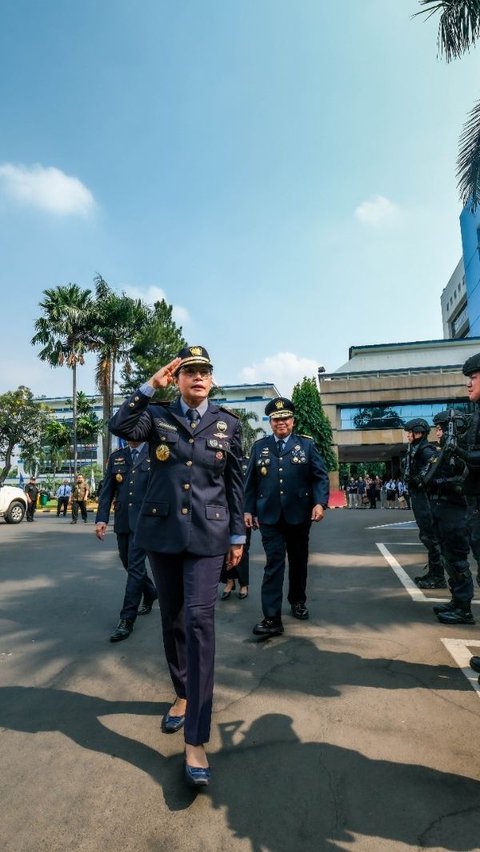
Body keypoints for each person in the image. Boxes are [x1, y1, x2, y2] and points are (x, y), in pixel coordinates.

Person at [109, 345, 245, 788]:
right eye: (189, 371)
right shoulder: (157, 416)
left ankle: (196, 740)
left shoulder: (228, 423)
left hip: (209, 537)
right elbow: (120, 424)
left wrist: (239, 537)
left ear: (212, 379)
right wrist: (152, 384)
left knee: (201, 623)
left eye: (204, 370)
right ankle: (183, 693)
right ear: (180, 378)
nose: (198, 377)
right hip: (162, 535)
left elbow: (234, 482)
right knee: (173, 620)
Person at [244, 397, 330, 637]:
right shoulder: (259, 447)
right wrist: (248, 509)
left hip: (299, 515)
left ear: (292, 421)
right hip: (269, 516)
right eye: (276, 419)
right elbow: (250, 482)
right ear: (270, 422)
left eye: (285, 418)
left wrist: (320, 503)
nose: (281, 422)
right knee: (274, 564)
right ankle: (271, 617)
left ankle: (297, 600)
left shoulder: (307, 446)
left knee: (299, 561)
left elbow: (320, 477)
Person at [95, 440, 158, 642]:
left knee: (135, 568)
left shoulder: (156, 452)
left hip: (145, 521)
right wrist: (102, 518)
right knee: (127, 562)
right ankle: (150, 592)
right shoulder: (117, 457)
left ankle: (126, 619)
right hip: (123, 520)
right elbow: (107, 490)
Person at [420, 410, 474, 625]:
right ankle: (457, 601)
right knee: (448, 559)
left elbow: (465, 482)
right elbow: (427, 477)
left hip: (455, 512)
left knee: (458, 562)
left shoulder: (462, 454)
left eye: (441, 428)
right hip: (441, 509)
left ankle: (464, 608)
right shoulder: (442, 453)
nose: (438, 433)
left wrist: (446, 483)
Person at [402, 418, 446, 589]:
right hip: (419, 496)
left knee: (430, 536)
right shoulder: (416, 449)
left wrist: (420, 480)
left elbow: (432, 474)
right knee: (427, 536)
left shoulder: (426, 451)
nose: (408, 435)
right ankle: (434, 573)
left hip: (425, 498)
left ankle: (438, 576)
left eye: (410, 432)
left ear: (419, 433)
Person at [220, 457, 251, 600]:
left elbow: (251, 488)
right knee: (224, 549)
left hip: (242, 513)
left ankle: (244, 584)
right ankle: (229, 581)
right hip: (222, 512)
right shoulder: (220, 460)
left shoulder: (247, 462)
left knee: (242, 550)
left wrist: (251, 511)